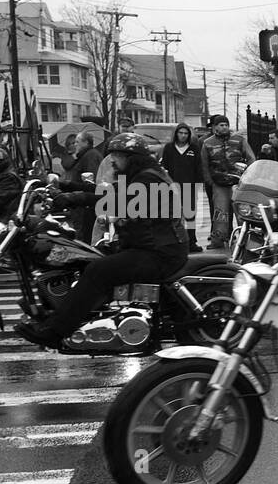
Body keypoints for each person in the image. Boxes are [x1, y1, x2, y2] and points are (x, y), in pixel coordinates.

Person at [14, 133, 187, 349]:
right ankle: (78, 318)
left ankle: (56, 331)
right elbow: (106, 192)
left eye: (117, 155)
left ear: (132, 157)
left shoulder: (149, 179)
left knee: (98, 270)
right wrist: (65, 186)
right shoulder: (138, 176)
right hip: (144, 245)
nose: (113, 160)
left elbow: (116, 201)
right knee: (86, 259)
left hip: (160, 252)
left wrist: (74, 199)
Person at [199, 114, 254, 250]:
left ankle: (247, 239)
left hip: (238, 183)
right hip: (219, 184)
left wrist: (247, 176)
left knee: (242, 212)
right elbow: (204, 165)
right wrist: (210, 181)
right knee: (220, 213)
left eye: (226, 125)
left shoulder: (240, 140)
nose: (224, 127)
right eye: (221, 125)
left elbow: (251, 158)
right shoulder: (208, 143)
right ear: (215, 127)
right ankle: (218, 240)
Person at [161, 123, 204, 253]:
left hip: (189, 187)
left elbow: (198, 167)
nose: (183, 136)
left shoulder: (194, 148)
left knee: (190, 215)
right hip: (173, 187)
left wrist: (198, 185)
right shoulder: (169, 148)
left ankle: (192, 241)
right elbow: (164, 167)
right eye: (181, 133)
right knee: (174, 216)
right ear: (176, 134)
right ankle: (177, 242)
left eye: (186, 133)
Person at [56, 131, 104, 242]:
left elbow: (91, 182)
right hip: (79, 202)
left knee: (83, 233)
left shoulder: (91, 156)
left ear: (86, 142)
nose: (75, 144)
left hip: (85, 205)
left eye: (77, 142)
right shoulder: (83, 156)